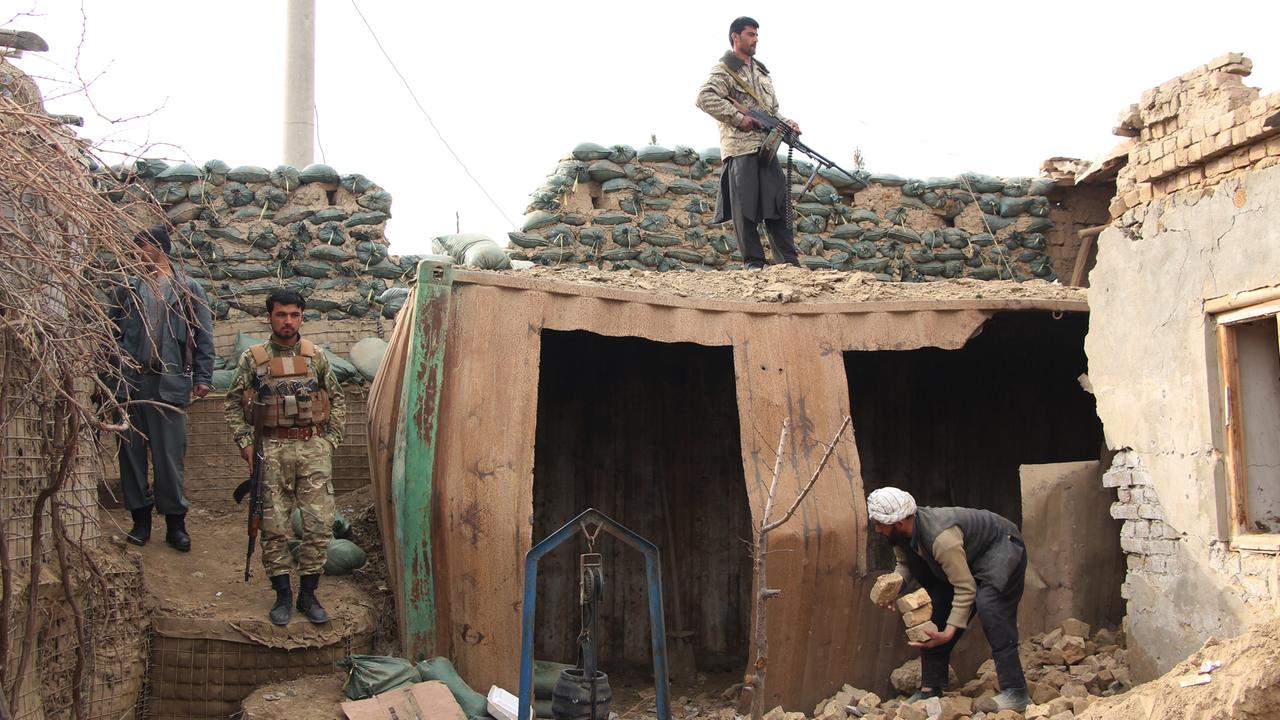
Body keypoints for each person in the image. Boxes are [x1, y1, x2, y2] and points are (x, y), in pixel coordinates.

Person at [224, 288, 345, 625]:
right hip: (271, 448)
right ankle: (282, 595)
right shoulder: (253, 358)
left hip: (312, 447)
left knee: (319, 525)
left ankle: (308, 594)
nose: (288, 321)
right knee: (273, 526)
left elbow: (337, 399)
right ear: (270, 317)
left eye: (294, 315)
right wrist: (246, 443)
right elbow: (232, 402)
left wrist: (330, 441)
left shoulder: (316, 356)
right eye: (281, 314)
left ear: (302, 317)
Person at [866, 487, 1030, 713]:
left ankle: (1016, 691)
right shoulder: (900, 534)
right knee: (934, 611)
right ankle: (930, 688)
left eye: (879, 524)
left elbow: (965, 588)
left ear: (899, 522)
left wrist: (950, 631)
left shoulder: (941, 538)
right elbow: (904, 565)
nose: (876, 529)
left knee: (990, 607)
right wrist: (894, 587)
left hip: (1001, 547)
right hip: (967, 558)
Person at [109, 225, 214, 552]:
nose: (136, 253)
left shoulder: (188, 289)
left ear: (160, 248)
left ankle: (175, 524)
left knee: (169, 459)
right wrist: (110, 380)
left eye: (141, 246)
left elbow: (203, 336)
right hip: (130, 384)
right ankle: (140, 522)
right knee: (131, 455)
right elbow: (110, 336)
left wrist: (203, 376)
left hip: (168, 385)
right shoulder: (127, 289)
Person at [695, 16, 802, 270]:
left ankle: (788, 264)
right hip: (740, 149)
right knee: (745, 207)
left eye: (756, 35)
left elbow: (771, 111)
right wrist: (738, 118)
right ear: (735, 37)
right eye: (750, 34)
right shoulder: (724, 70)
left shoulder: (762, 73)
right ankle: (754, 262)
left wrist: (787, 123)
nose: (755, 40)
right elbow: (704, 98)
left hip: (767, 148)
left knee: (778, 205)